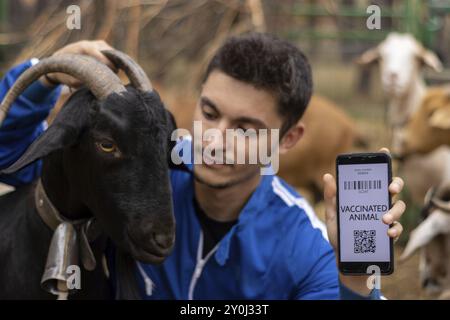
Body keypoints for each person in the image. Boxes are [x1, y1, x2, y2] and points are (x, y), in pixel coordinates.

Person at [0, 34, 405, 299]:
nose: (214, 140)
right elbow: (10, 160)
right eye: (209, 113)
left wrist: (352, 278)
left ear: (288, 140)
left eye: (246, 129)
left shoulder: (306, 246)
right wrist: (45, 76)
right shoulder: (145, 169)